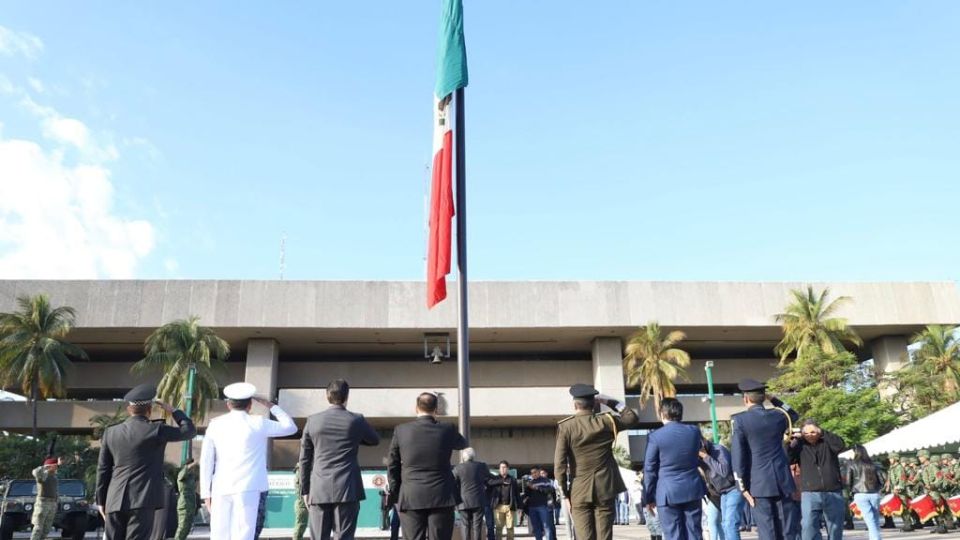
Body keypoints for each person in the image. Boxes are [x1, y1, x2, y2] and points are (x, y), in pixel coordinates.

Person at [96, 384, 196, 540]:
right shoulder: (156, 430)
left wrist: (101, 500)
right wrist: (174, 411)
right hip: (142, 499)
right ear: (149, 409)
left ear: (129, 410)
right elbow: (189, 431)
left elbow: (103, 469)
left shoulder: (110, 432)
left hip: (114, 499)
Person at [199, 382, 296, 540]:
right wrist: (271, 405)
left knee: (219, 534)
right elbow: (290, 427)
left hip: (221, 487)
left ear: (228, 405)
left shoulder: (215, 425)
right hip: (249, 487)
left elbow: (206, 461)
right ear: (250, 405)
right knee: (244, 533)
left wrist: (205, 493)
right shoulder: (258, 423)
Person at [554, 383, 640, 540]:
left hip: (579, 490)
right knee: (604, 536)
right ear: (594, 403)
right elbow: (631, 418)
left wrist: (564, 495)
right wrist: (609, 401)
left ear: (575, 404)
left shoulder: (567, 426)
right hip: (604, 488)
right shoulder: (606, 422)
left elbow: (559, 465)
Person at [299, 379, 380, 540]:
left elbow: (304, 459)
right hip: (348, 487)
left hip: (319, 488)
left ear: (327, 396)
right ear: (346, 397)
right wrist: (355, 437)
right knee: (344, 536)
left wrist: (305, 490)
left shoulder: (313, 420)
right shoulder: (356, 420)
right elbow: (374, 440)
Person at [386, 392, 468, 540]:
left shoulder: (401, 430)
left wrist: (397, 490)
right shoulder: (447, 428)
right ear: (436, 409)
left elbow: (392, 464)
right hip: (442, 495)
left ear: (416, 408)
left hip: (411, 494)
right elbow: (463, 443)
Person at [730, 378, 799, 540]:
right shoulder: (777, 416)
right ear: (763, 397)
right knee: (787, 531)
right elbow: (793, 413)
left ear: (746, 398)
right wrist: (773, 398)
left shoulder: (739, 420)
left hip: (759, 484)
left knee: (768, 532)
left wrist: (742, 487)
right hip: (783, 481)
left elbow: (738, 456)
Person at [643, 398, 706, 540]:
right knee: (695, 533)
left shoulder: (655, 436)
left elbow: (649, 469)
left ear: (662, 414)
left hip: (667, 492)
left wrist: (648, 497)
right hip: (692, 488)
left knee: (673, 535)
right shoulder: (694, 431)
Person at [788, 419, 846, 540]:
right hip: (810, 492)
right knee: (808, 527)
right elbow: (787, 458)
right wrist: (789, 441)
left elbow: (840, 445)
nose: (810, 436)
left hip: (832, 490)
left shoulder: (827, 442)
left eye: (813, 432)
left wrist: (824, 433)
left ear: (818, 431)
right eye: (807, 433)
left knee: (835, 527)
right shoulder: (800, 445)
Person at [699, 437, 743, 540]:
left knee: (730, 524)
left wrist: (706, 457)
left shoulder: (719, 450)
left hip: (733, 488)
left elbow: (724, 471)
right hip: (721, 493)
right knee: (724, 524)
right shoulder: (698, 458)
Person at [846, 444, 885, 540]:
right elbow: (881, 479)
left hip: (860, 493)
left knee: (869, 518)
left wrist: (851, 491)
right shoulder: (873, 464)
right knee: (874, 518)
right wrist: (878, 489)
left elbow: (848, 481)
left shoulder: (852, 464)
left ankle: (875, 538)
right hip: (874, 493)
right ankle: (876, 537)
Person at [453, 448, 493, 540]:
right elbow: (490, 478)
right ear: (473, 456)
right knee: (477, 526)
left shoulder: (458, 468)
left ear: (463, 457)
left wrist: (456, 499)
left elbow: (452, 483)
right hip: (478, 501)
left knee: (465, 526)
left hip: (463, 502)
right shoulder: (481, 466)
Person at [917, 449, 950, 534]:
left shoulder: (933, 466)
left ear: (926, 457)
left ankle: (942, 526)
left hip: (934, 491)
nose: (919, 458)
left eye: (921, 456)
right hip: (928, 492)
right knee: (933, 509)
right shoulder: (924, 467)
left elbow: (940, 478)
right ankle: (939, 526)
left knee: (938, 509)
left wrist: (933, 485)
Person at [30, 456, 61, 540]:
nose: (57, 467)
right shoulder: (44, 475)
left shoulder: (54, 477)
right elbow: (35, 472)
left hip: (52, 503)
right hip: (43, 503)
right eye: (55, 466)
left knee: (47, 528)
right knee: (38, 527)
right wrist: (45, 466)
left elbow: (55, 490)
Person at [489, 461, 521, 540]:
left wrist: (520, 506)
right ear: (499, 469)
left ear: (508, 469)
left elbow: (517, 493)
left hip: (509, 506)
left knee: (510, 528)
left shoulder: (512, 479)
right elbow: (489, 483)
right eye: (501, 468)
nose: (503, 469)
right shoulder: (495, 478)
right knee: (499, 528)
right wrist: (501, 481)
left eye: (504, 467)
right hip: (498, 506)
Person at [524, 466, 557, 540]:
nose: (533, 474)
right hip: (532, 508)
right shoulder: (531, 482)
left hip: (543, 507)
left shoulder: (546, 480)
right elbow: (527, 495)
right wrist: (527, 487)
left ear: (539, 472)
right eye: (532, 473)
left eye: (535, 472)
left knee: (547, 527)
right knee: (536, 528)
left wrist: (536, 488)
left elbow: (550, 490)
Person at [883, 453, 913, 532]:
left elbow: (902, 479)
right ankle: (906, 524)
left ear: (895, 458)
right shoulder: (892, 467)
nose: (890, 460)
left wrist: (899, 488)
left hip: (900, 491)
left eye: (891, 458)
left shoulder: (899, 468)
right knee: (900, 508)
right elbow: (890, 478)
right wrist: (888, 486)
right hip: (894, 489)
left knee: (904, 507)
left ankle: (908, 524)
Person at [174, 459, 199, 540]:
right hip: (184, 505)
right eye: (191, 466)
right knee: (182, 527)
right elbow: (180, 476)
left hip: (191, 505)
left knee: (187, 529)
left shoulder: (191, 477)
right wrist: (189, 466)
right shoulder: (182, 475)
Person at [292, 463, 308, 540]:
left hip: (303, 502)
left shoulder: (301, 470)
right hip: (302, 503)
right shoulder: (301, 472)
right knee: (300, 526)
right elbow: (302, 489)